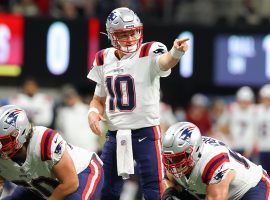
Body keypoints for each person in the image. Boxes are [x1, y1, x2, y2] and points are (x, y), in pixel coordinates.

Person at [87, 7, 189, 200]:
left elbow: (165, 62)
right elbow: (98, 99)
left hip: (146, 132)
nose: (130, 38)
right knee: (108, 189)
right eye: (123, 34)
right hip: (115, 134)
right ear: (111, 35)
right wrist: (92, 112)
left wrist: (175, 53)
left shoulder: (148, 50)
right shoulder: (102, 58)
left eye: (133, 32)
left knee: (154, 187)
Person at [0, 105, 104, 200]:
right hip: (41, 184)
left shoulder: (43, 141)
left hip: (81, 173)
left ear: (20, 133)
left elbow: (71, 183)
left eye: (3, 141)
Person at [161, 122, 270, 200]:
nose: (173, 165)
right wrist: (169, 194)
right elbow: (167, 179)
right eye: (170, 159)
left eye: (178, 158)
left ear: (195, 150)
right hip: (213, 191)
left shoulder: (213, 160)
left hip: (251, 188)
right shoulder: (176, 162)